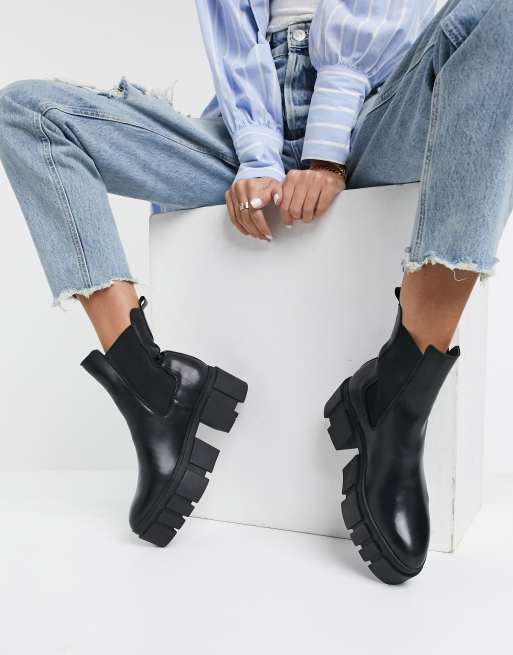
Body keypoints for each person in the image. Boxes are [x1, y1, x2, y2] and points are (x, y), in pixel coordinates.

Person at [0, 0, 509, 584]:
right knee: (28, 113)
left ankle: (398, 393)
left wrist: (325, 152)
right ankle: (154, 389)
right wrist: (258, 156)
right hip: (244, 128)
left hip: (377, 108)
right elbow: (232, 33)